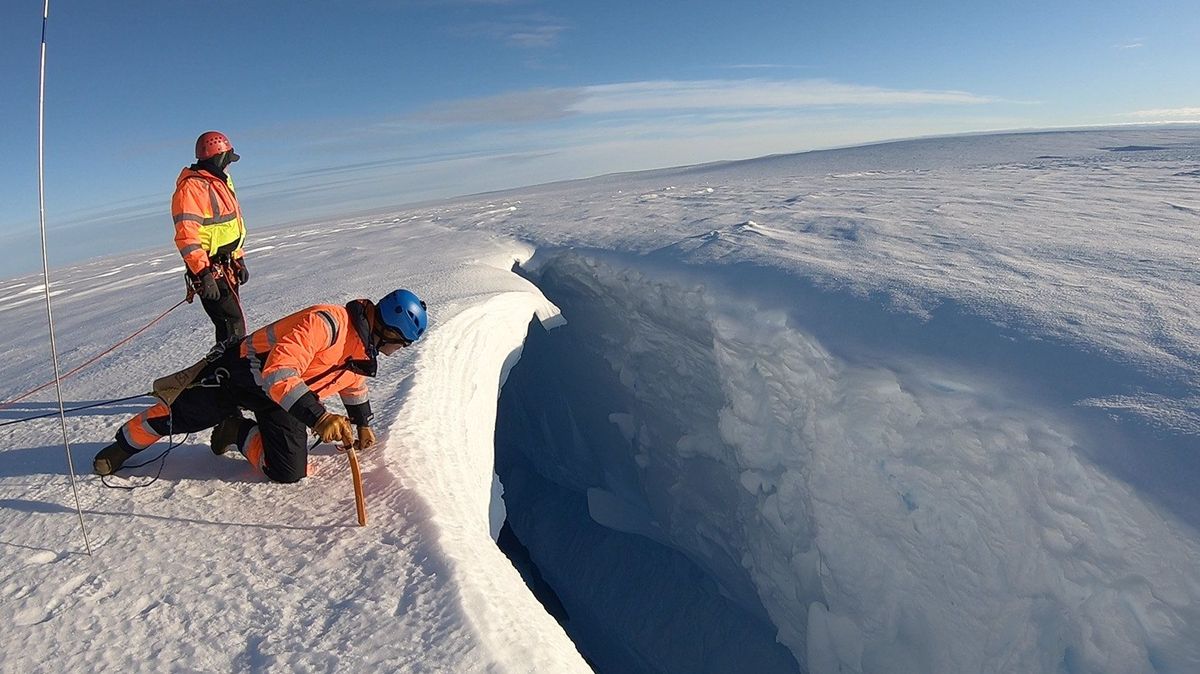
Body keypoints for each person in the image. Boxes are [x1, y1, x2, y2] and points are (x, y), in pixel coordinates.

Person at [92, 289, 429, 483]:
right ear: (389, 330)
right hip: (243, 377)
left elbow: (350, 380)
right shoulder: (328, 323)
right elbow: (278, 371)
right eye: (399, 343)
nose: (395, 351)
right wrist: (319, 418)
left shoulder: (362, 347)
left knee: (288, 472)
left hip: (286, 400)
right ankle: (124, 445)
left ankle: (236, 431)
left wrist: (362, 422)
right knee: (180, 415)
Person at [175, 131, 250, 343]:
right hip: (209, 266)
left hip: (226, 265)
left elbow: (230, 226)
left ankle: (232, 365)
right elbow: (186, 237)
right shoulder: (191, 187)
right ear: (219, 157)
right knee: (230, 322)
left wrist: (239, 258)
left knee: (233, 322)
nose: (230, 165)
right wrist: (204, 273)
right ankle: (229, 369)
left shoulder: (221, 181)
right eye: (228, 159)